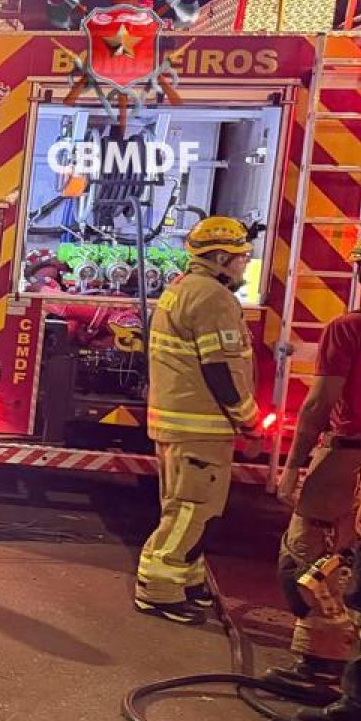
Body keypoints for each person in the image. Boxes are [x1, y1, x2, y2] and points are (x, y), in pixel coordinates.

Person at [134, 217, 261, 624]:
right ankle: (158, 589)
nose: (244, 263)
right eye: (241, 256)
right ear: (221, 258)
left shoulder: (183, 289)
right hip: (200, 425)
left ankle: (187, 580)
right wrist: (249, 419)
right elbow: (221, 369)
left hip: (182, 424)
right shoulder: (212, 298)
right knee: (192, 510)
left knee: (185, 506)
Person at [271, 249, 361, 693]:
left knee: (306, 559)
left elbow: (318, 405)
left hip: (347, 459)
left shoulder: (349, 329)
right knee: (350, 562)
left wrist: (291, 469)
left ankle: (320, 664)